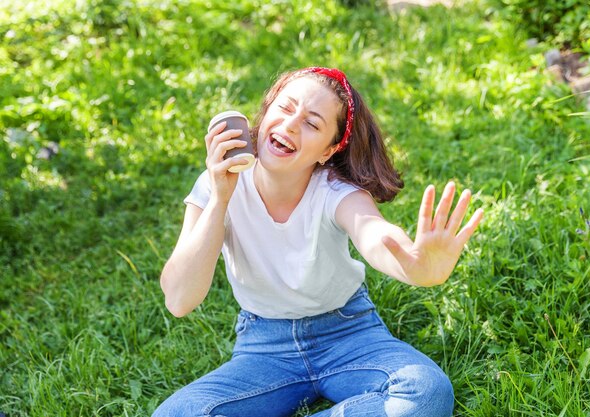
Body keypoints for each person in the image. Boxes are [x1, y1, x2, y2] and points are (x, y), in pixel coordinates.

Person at [153, 67, 483, 417]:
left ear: (329, 149)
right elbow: (178, 299)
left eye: (312, 123)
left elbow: (373, 232)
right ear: (265, 114)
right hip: (264, 346)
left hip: (349, 333)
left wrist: (415, 265)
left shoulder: (334, 191)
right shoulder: (217, 183)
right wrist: (220, 199)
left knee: (426, 392)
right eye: (285, 107)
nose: (292, 124)